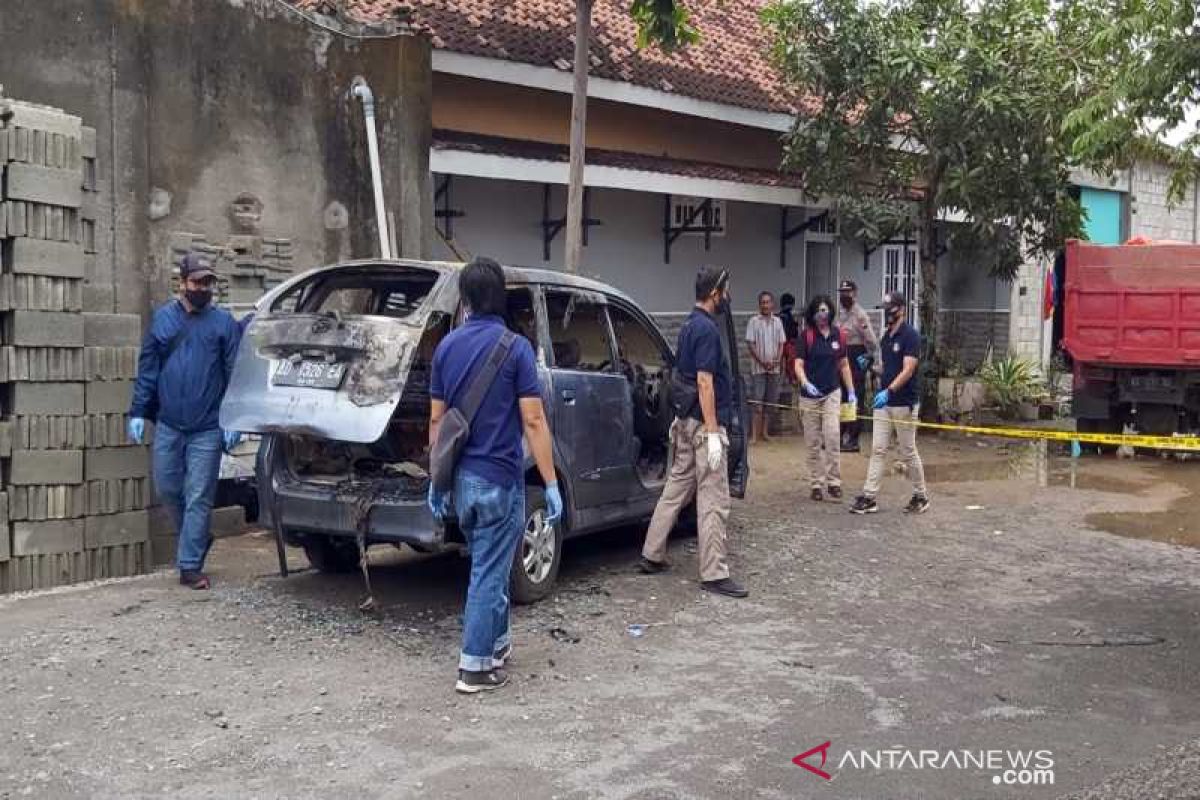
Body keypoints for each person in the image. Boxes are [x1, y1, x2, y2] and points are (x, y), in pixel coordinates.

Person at [427, 257, 563, 694]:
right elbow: (534, 421)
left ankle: (498, 644)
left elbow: (436, 422)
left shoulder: (446, 348)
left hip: (462, 481)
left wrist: (436, 481)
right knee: (487, 570)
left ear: (464, 300)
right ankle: (474, 668)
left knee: (492, 561)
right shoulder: (516, 348)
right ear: (500, 298)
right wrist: (552, 483)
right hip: (501, 480)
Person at [127, 253, 242, 590]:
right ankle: (198, 537)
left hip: (207, 427)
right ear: (182, 284)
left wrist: (233, 419)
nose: (203, 288)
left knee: (198, 495)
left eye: (208, 283)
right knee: (168, 489)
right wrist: (137, 412)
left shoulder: (223, 324)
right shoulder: (162, 320)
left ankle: (189, 565)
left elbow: (234, 374)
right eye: (197, 282)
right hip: (169, 424)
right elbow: (148, 370)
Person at [639, 266, 748, 599]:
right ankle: (714, 573)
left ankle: (651, 553)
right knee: (713, 498)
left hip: (685, 422)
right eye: (725, 291)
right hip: (703, 425)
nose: (727, 297)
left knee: (676, 489)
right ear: (715, 293)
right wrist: (714, 430)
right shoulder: (707, 330)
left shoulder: (688, 326)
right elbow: (704, 380)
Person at [850, 292, 930, 515]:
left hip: (904, 402)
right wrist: (869, 366)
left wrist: (890, 390)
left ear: (901, 309)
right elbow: (888, 369)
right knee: (877, 449)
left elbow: (908, 369)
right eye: (885, 308)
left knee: (907, 451)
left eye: (891, 308)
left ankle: (920, 495)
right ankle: (869, 496)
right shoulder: (887, 336)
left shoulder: (910, 336)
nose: (887, 313)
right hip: (884, 402)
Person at [795, 294, 857, 502]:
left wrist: (851, 391)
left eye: (825, 310)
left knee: (832, 436)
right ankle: (816, 483)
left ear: (830, 311)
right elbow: (798, 364)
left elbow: (844, 364)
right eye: (818, 310)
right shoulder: (806, 336)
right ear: (812, 314)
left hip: (832, 392)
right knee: (812, 442)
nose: (822, 314)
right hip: (810, 396)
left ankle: (834, 482)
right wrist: (805, 382)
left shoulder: (838, 335)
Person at [836, 280, 880, 452]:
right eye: (842, 292)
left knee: (855, 398)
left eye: (847, 292)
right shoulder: (840, 314)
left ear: (855, 293)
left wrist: (868, 359)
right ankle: (842, 435)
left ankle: (853, 438)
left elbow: (872, 342)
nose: (844, 295)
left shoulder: (860, 315)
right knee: (843, 397)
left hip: (856, 356)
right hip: (842, 356)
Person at [745, 290, 786, 443]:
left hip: (774, 369)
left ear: (772, 304)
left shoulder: (778, 322)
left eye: (768, 302)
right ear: (759, 305)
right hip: (758, 369)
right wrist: (762, 361)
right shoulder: (753, 322)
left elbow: (782, 343)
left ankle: (765, 433)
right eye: (763, 302)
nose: (765, 305)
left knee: (770, 401)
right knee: (757, 400)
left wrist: (777, 359)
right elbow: (750, 343)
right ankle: (754, 436)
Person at [778, 292, 801, 385]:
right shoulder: (786, 315)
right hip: (788, 343)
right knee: (790, 363)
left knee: (786, 364)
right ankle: (792, 380)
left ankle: (788, 379)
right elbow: (788, 330)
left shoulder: (781, 315)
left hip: (784, 343)